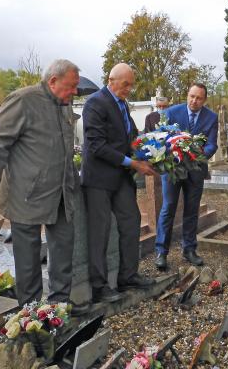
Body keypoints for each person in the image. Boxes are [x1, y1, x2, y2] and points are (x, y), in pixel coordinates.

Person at [0, 59, 83, 309]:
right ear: (53, 81)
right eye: (71, 86)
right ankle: (30, 314)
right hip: (26, 194)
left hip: (61, 192)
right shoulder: (23, 100)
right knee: (28, 260)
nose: (75, 92)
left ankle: (59, 308)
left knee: (63, 250)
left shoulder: (62, 104)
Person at [81, 63, 158, 303]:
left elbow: (131, 137)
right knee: (100, 231)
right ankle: (99, 286)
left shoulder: (122, 104)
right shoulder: (95, 103)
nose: (129, 89)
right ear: (111, 80)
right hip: (99, 179)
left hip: (121, 178)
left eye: (130, 85)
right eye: (125, 84)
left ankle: (128, 275)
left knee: (131, 221)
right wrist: (133, 164)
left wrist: (157, 148)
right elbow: (96, 145)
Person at [154, 83, 218, 269]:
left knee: (191, 210)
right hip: (173, 170)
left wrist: (195, 156)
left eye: (198, 98)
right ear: (187, 95)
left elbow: (212, 145)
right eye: (191, 96)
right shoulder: (173, 112)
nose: (194, 101)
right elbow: (162, 138)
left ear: (204, 100)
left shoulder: (211, 117)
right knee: (168, 208)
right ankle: (161, 251)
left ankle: (189, 249)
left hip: (195, 170)